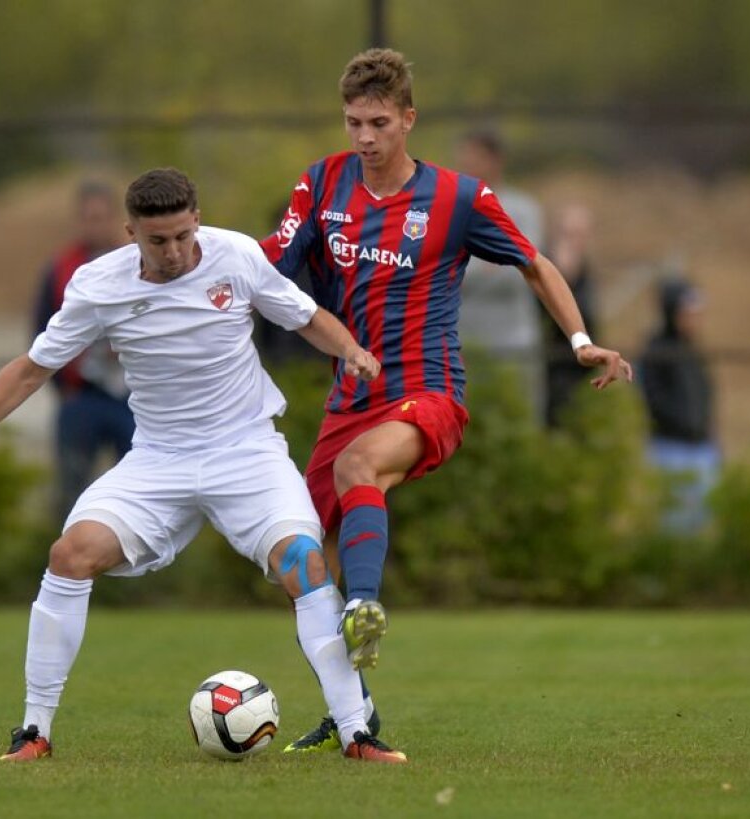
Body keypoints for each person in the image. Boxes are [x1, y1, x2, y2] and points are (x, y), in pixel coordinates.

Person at [0, 168, 407, 764]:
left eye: (182, 235)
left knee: (304, 565)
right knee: (69, 556)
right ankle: (34, 732)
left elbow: (306, 317)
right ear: (131, 234)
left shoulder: (239, 257)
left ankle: (357, 733)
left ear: (196, 219)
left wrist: (352, 350)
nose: (174, 251)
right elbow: (30, 369)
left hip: (246, 451)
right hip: (157, 460)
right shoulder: (97, 285)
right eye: (158, 241)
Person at [261, 48, 633, 751]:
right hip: (350, 397)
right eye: (352, 123)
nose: (364, 138)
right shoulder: (322, 183)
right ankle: (355, 712)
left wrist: (580, 339)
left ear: (408, 119)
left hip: (427, 393)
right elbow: (268, 264)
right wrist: (195, 267)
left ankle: (366, 603)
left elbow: (535, 262)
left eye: (377, 122)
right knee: (297, 559)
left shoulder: (459, 198)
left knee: (360, 468)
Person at [33, 181, 134, 525]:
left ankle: (146, 573)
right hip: (82, 394)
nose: (95, 225)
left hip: (133, 396)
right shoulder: (62, 267)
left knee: (141, 491)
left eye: (101, 217)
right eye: (88, 218)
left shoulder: (137, 260)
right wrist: (64, 388)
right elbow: (41, 332)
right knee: (72, 489)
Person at [455, 128, 546, 418]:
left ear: (496, 160)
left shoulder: (522, 210)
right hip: (463, 344)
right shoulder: (452, 206)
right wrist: (487, 265)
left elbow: (521, 271)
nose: (467, 162)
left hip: (513, 345)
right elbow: (435, 269)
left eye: (475, 156)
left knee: (517, 419)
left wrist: (464, 269)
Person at [640, 278, 717, 532]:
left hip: (701, 449)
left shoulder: (692, 351)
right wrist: (681, 424)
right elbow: (652, 399)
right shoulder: (656, 351)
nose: (694, 320)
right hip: (670, 449)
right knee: (675, 524)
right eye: (688, 313)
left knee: (702, 523)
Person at [542, 203, 600, 427]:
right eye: (570, 235)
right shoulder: (543, 272)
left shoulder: (585, 272)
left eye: (582, 235)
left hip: (582, 372)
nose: (576, 242)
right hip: (552, 372)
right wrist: (564, 278)